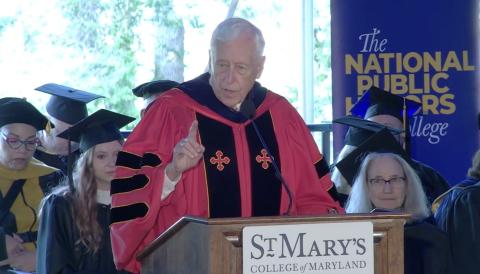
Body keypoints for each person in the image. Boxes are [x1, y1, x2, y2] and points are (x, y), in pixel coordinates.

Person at [110, 17, 343, 273]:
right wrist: (171, 172)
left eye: (241, 68)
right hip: (191, 264)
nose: (229, 79)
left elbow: (313, 196)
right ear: (210, 58)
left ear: (260, 67)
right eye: (222, 65)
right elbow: (129, 192)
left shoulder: (280, 115)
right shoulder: (171, 112)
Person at [36, 109, 134, 274]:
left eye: (118, 154)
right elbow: (54, 266)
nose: (112, 163)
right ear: (87, 161)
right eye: (101, 156)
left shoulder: (133, 202)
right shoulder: (61, 206)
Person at [340, 129, 452, 274]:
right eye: (378, 180)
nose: (388, 189)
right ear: (365, 187)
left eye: (395, 179)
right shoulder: (347, 242)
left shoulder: (433, 239)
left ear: (408, 184)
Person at [347, 86, 450, 204]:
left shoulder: (428, 177)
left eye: (387, 129)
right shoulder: (349, 175)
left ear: (402, 135)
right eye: (372, 129)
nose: (380, 135)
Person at [0, 97, 62, 272]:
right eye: (13, 140)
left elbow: (70, 230)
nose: (22, 149)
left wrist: (44, 258)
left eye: (31, 142)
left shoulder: (52, 177)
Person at [34, 83, 104, 176]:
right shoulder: (30, 155)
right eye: (65, 134)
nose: (72, 142)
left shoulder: (85, 156)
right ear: (47, 128)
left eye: (76, 134)